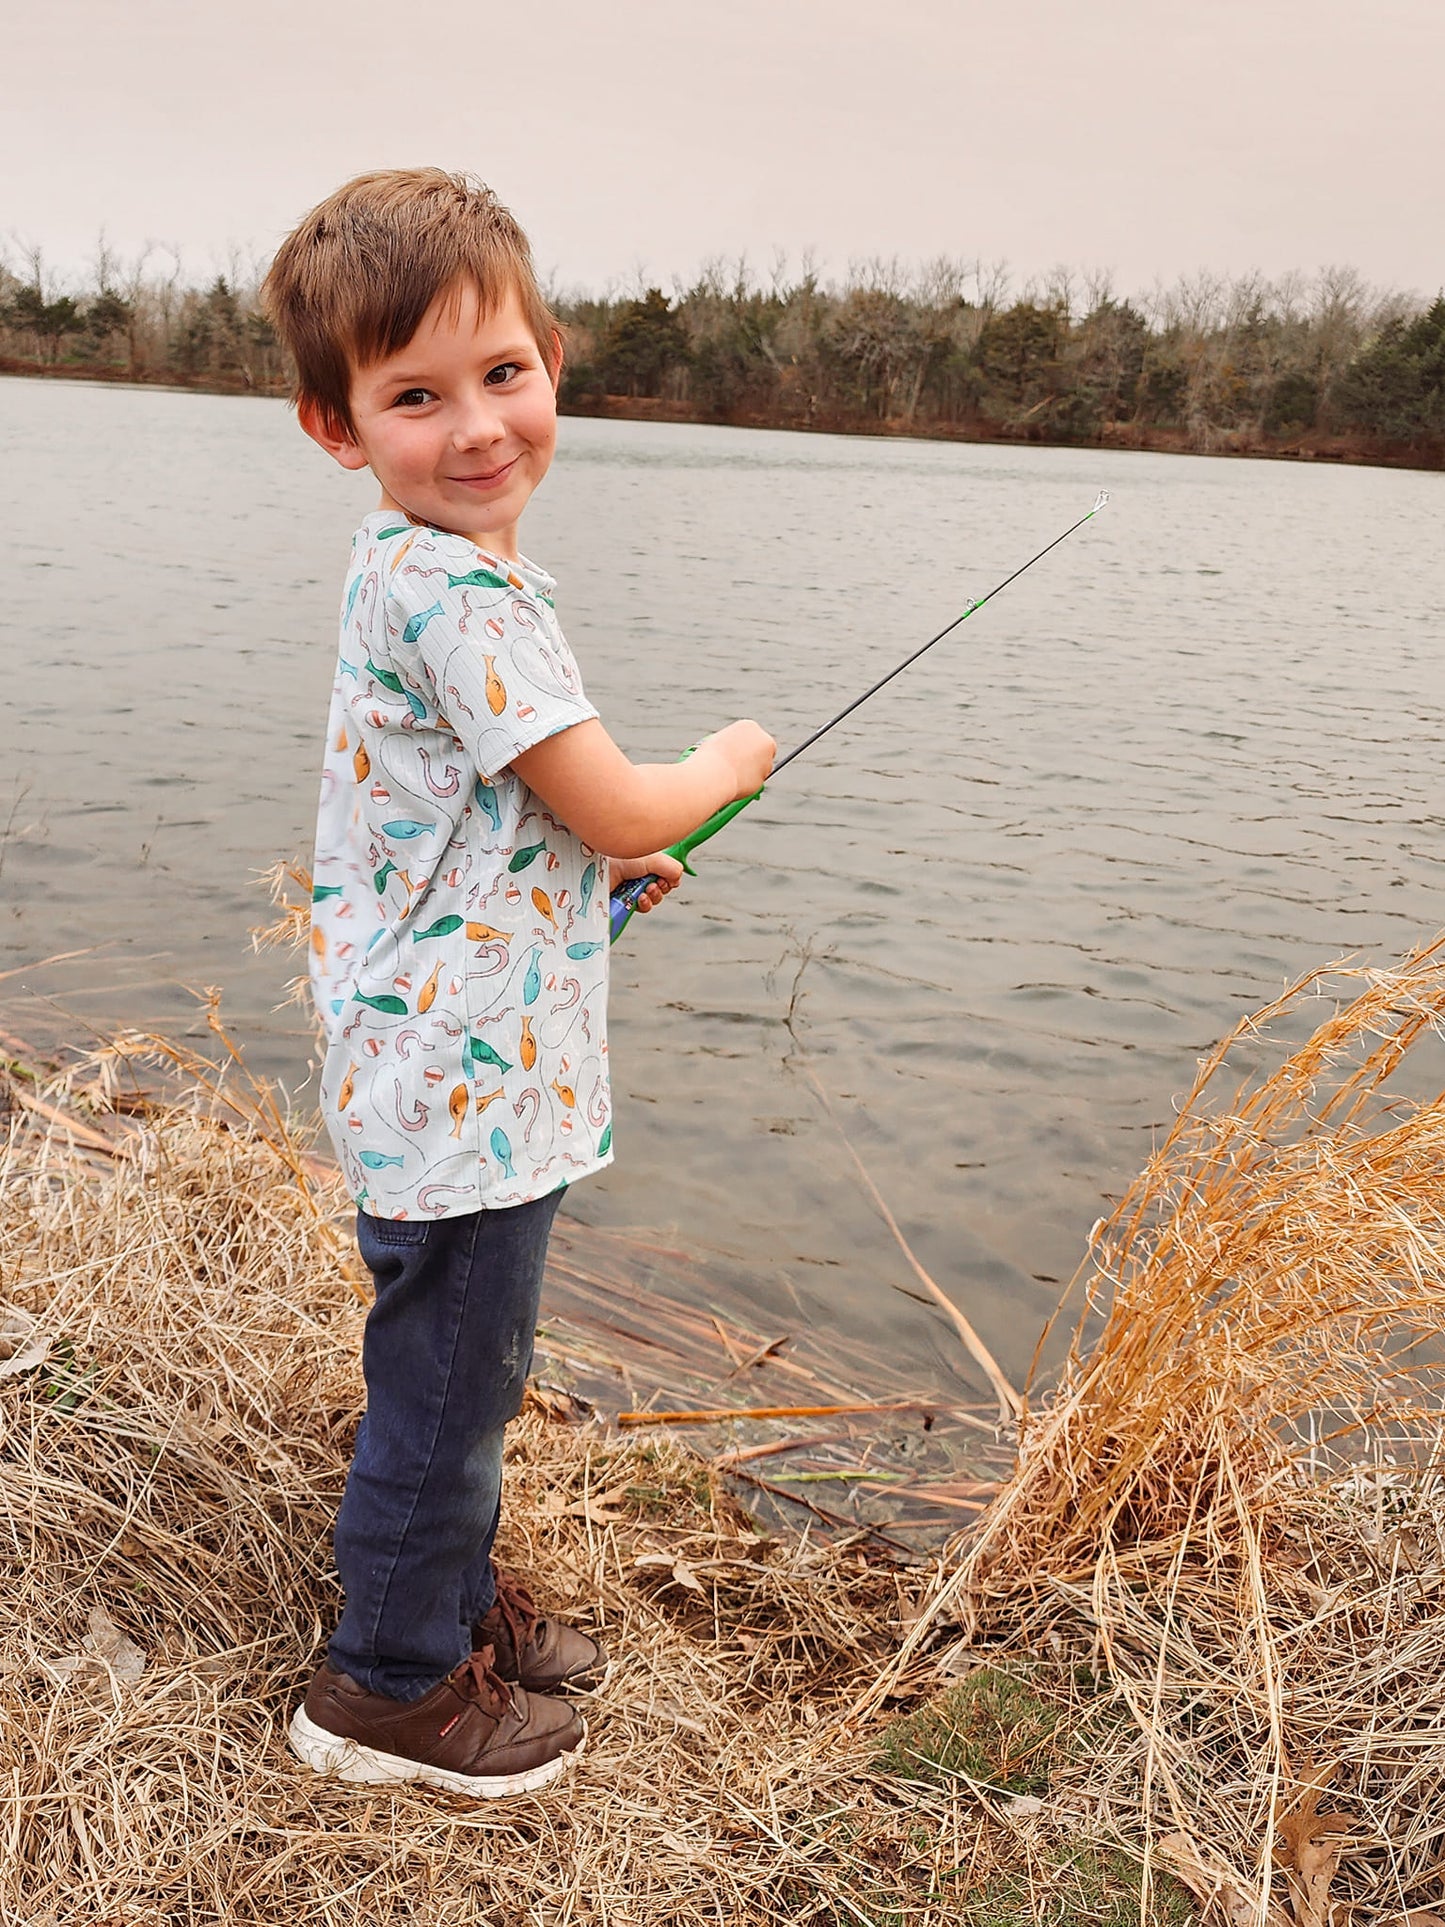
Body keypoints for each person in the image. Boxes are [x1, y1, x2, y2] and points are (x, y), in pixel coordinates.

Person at [261, 169, 775, 1800]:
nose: (477, 426)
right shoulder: (462, 594)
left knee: (452, 1368)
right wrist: (719, 765)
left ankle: (447, 1594)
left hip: (434, 1058)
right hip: (467, 1092)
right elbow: (622, 788)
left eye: (502, 375)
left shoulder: (412, 569)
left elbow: (502, 809)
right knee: (452, 1385)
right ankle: (390, 1689)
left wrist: (589, 865)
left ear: (552, 361)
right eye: (415, 396)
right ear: (337, 427)